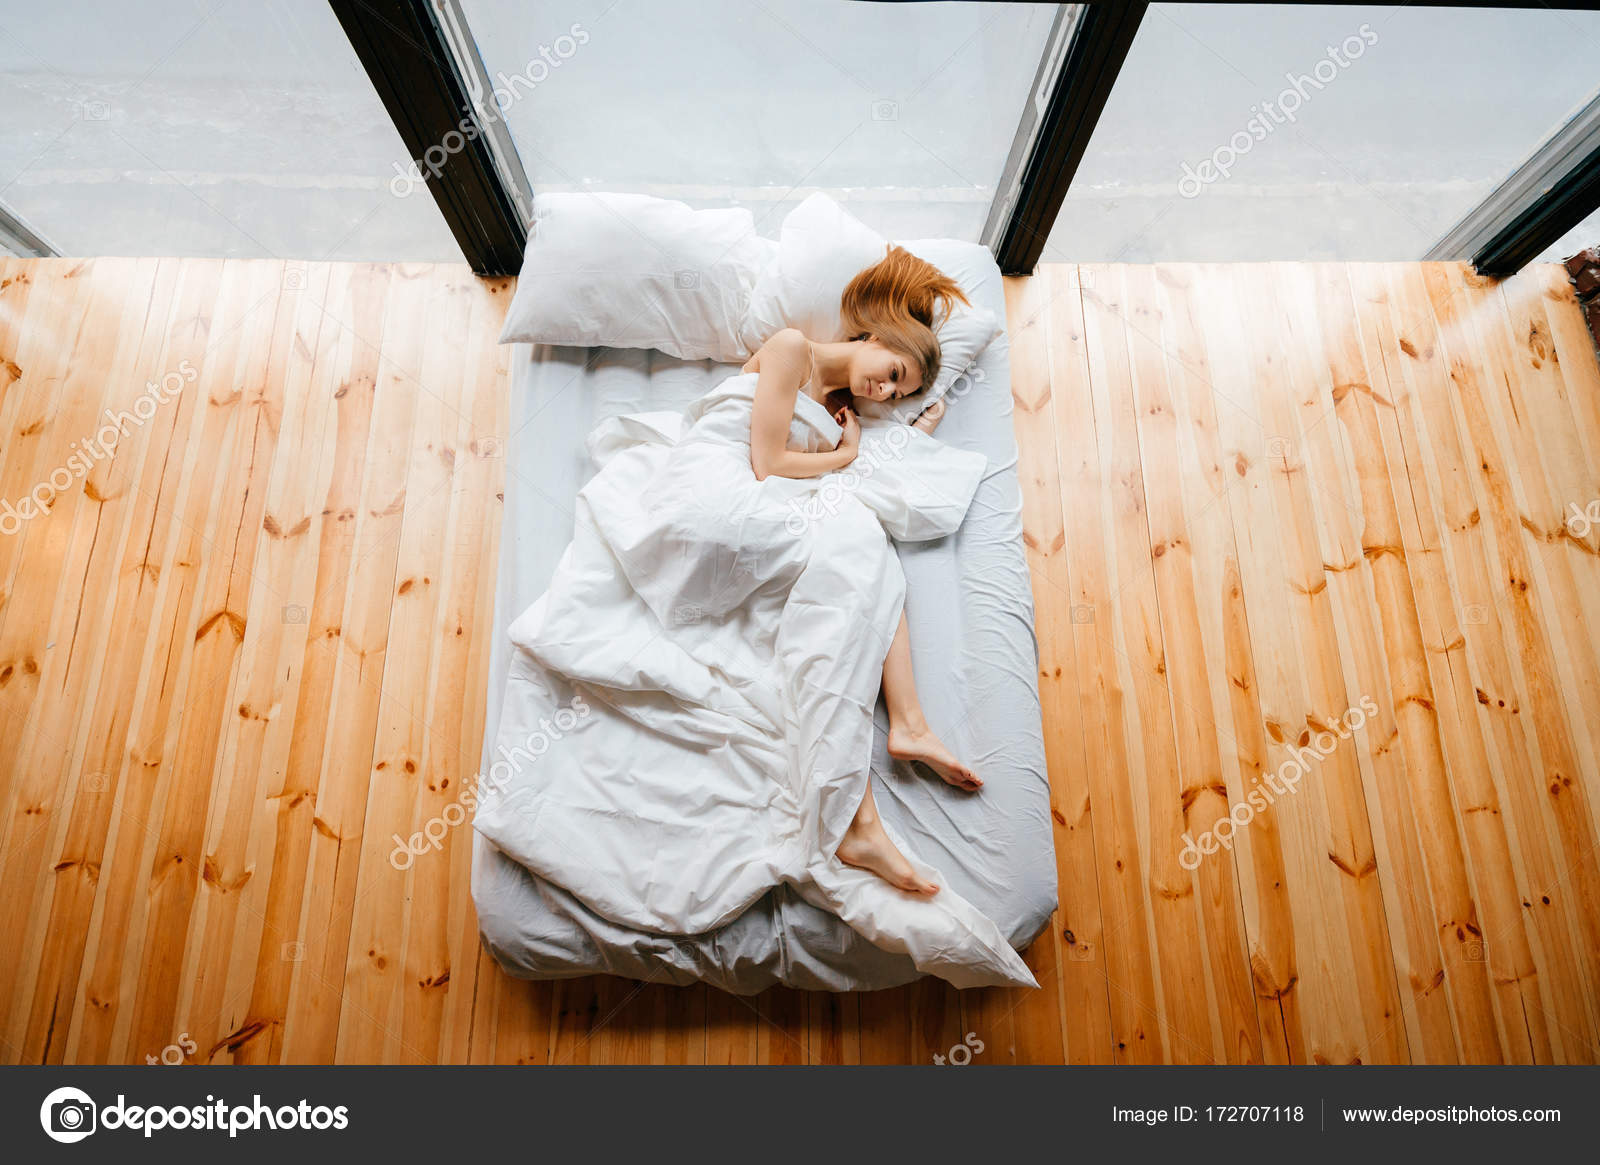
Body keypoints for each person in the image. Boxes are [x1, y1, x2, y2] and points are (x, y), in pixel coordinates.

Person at [739, 245, 981, 896]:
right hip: (733, 493)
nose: (887, 390)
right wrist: (845, 455)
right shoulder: (793, 347)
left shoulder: (844, 402)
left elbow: (865, 460)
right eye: (894, 370)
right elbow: (766, 462)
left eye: (899, 390)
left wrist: (913, 423)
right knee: (860, 554)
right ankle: (865, 812)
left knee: (870, 567)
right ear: (877, 334)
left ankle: (902, 735)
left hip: (783, 507)